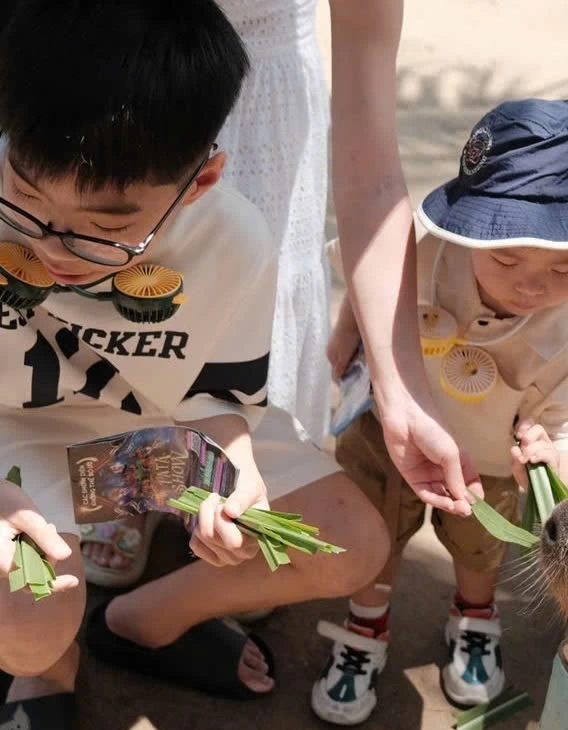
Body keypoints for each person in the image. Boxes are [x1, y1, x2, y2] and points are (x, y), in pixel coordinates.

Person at [0, 0, 388, 730]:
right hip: (14, 447)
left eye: (106, 229)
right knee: (29, 622)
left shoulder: (235, 241)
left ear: (202, 178)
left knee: (354, 545)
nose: (54, 250)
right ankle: (48, 664)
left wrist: (234, 471)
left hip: (144, 445)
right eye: (26, 200)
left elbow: (220, 401)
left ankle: (140, 620)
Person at [81, 0, 484, 588]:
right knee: (108, 301)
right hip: (99, 82)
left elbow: (371, 173)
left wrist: (402, 393)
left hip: (260, 101)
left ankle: (204, 497)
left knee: (233, 325)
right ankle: (126, 483)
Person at [314, 99, 568, 725]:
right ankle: (365, 620)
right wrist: (348, 329)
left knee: (480, 550)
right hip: (385, 424)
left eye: (566, 267)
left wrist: (555, 462)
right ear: (470, 225)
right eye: (506, 258)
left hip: (486, 463)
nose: (534, 284)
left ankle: (474, 616)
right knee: (373, 526)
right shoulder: (426, 245)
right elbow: (375, 280)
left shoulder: (564, 333)